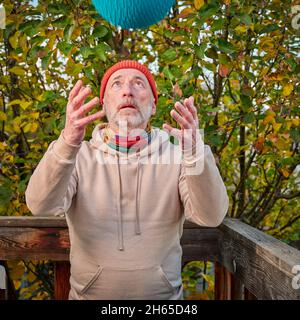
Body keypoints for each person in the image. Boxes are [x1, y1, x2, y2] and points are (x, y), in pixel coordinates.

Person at [25, 60, 229, 300]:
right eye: (117, 84)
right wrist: (68, 141)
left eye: (139, 83)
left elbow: (212, 215)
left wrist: (195, 152)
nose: (127, 91)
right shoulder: (76, 154)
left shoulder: (177, 156)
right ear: (104, 103)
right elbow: (40, 205)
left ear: (153, 106)